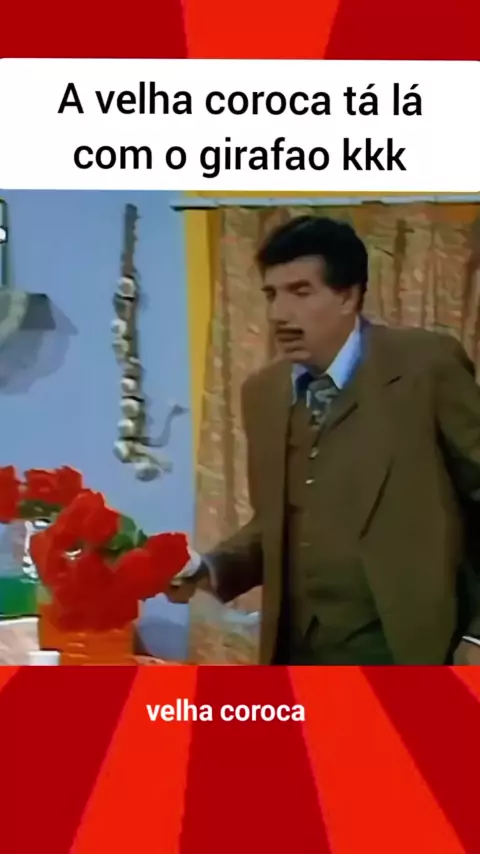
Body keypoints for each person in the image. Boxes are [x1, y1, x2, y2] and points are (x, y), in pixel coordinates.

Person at [168, 215, 480, 665]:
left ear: (348, 296)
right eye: (271, 294)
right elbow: (277, 523)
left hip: (410, 653)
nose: (279, 314)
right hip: (299, 657)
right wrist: (209, 568)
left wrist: (477, 636)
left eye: (300, 291)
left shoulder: (425, 368)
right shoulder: (264, 394)